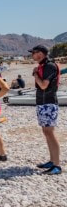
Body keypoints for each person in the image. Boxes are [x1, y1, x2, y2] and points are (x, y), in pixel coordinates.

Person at [29, 45, 62, 175]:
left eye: (34, 53)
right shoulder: (43, 66)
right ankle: (52, 160)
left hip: (49, 102)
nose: (32, 55)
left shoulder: (49, 66)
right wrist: (37, 72)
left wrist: (35, 74)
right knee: (46, 132)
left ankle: (57, 165)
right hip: (43, 103)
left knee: (50, 132)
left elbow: (43, 85)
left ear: (41, 54)